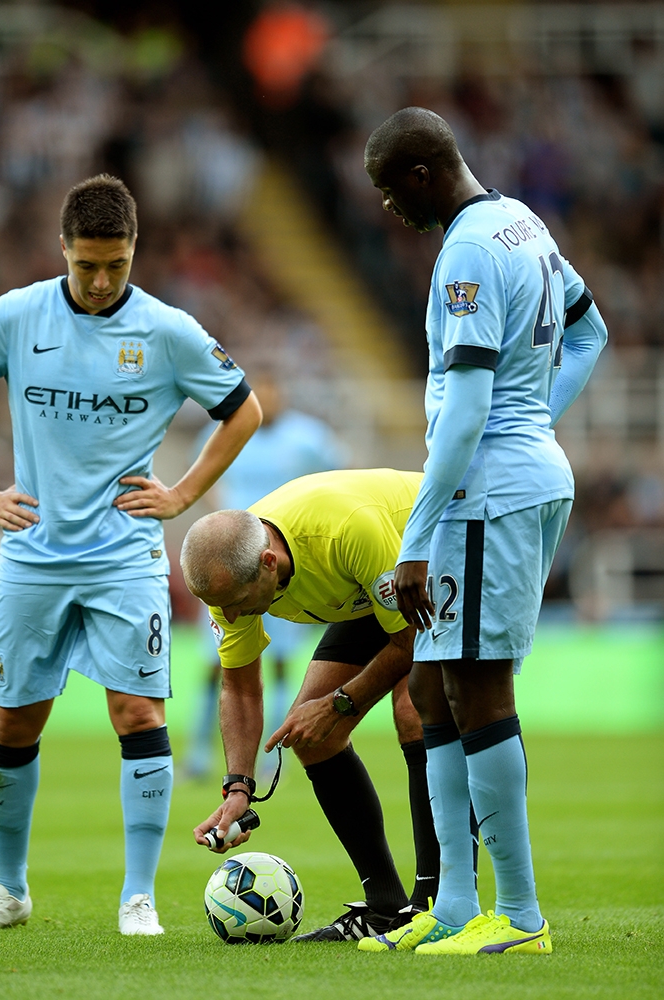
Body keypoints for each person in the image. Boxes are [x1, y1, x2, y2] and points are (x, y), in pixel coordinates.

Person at [0, 174, 262, 935]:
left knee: (136, 710)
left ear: (134, 250)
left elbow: (244, 412)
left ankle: (137, 898)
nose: (102, 280)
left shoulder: (169, 331)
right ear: (63, 251)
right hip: (34, 558)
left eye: (116, 264)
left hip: (124, 557)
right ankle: (8, 891)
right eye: (87, 266)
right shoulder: (16, 316)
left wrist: (180, 495)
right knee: (15, 723)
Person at [348, 107, 607, 955]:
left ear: (420, 175)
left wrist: (414, 538)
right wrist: (534, 421)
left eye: (389, 190)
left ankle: (521, 916)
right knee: (430, 691)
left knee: (478, 689)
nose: (387, 207)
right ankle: (455, 905)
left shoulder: (463, 248)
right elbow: (589, 328)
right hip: (516, 474)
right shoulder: (522, 223)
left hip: (483, 492)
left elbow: (462, 414)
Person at [180, 468, 443, 942]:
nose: (232, 616)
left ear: (267, 563)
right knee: (314, 740)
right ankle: (386, 909)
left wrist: (340, 703)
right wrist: (238, 788)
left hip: (435, 552)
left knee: (415, 712)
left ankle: (436, 907)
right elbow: (240, 688)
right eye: (222, 607)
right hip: (369, 589)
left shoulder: (347, 530)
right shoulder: (228, 583)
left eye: (238, 603)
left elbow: (409, 642)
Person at [183, 369, 347, 778]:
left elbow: (337, 478)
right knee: (220, 666)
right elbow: (206, 482)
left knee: (278, 666)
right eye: (261, 395)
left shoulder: (308, 437)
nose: (268, 402)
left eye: (274, 394)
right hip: (233, 568)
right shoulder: (226, 434)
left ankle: (275, 756)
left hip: (278, 567)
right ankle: (199, 755)